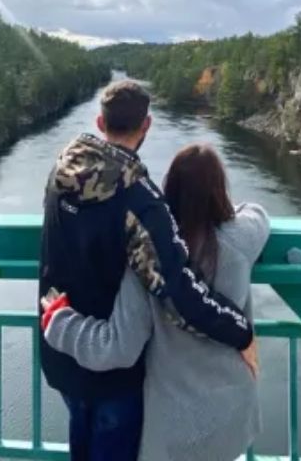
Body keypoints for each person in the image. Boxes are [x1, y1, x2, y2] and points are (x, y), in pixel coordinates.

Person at [39, 81, 257, 461]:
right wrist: (240, 332)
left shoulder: (61, 173)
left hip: (60, 350)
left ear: (99, 121)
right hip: (114, 373)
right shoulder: (141, 202)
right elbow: (179, 293)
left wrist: (56, 318)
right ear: (147, 125)